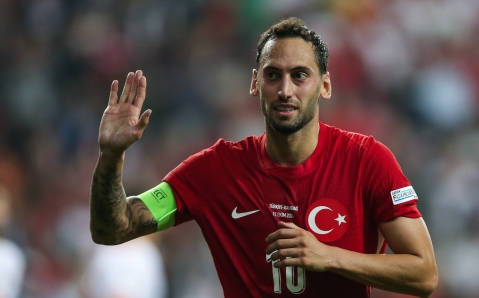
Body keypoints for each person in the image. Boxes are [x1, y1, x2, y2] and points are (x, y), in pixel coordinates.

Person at [90, 17, 438, 297]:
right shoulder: (215, 170)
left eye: (299, 75)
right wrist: (110, 156)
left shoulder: (367, 160)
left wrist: (329, 256)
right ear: (256, 83)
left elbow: (424, 275)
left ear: (325, 86)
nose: (285, 90)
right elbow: (112, 229)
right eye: (273, 75)